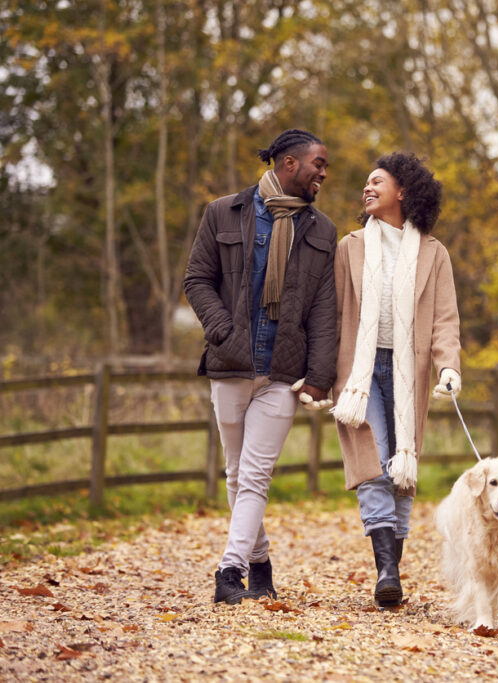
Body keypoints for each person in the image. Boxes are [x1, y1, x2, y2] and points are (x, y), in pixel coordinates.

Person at [184, 129, 338, 604]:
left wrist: (318, 376)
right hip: (230, 362)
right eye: (318, 164)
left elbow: (324, 311)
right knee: (236, 473)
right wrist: (222, 330)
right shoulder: (222, 211)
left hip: (282, 374)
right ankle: (260, 562)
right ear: (289, 164)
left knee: (254, 475)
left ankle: (229, 573)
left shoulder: (322, 230)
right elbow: (197, 280)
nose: (324, 174)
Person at [331, 152, 461, 608]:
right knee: (374, 462)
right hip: (357, 375)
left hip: (412, 374)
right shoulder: (349, 247)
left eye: (376, 182)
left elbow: (444, 320)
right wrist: (314, 375)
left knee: (401, 471)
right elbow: (329, 316)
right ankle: (386, 569)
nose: (367, 188)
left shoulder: (433, 253)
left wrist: (448, 367)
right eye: (365, 183)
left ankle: (391, 572)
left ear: (403, 191)